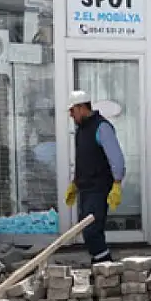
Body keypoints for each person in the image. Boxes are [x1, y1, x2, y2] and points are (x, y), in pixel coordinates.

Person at [64, 90, 125, 264]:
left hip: (98, 188)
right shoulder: (81, 130)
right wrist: (75, 183)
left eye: (72, 110)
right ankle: (101, 267)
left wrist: (117, 184)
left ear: (82, 107)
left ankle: (106, 267)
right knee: (88, 232)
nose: (71, 115)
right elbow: (83, 158)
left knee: (92, 231)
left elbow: (116, 158)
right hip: (86, 188)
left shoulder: (102, 127)